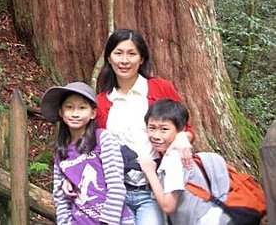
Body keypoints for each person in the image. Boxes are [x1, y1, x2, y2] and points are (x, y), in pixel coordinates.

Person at [95, 28, 195, 225]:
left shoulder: (160, 88)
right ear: (109, 58)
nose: (124, 60)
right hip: (116, 192)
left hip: (153, 190)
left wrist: (183, 138)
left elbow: (185, 128)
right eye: (118, 53)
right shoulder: (101, 101)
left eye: (132, 54)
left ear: (141, 59)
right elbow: (95, 148)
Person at [40, 81, 134, 224]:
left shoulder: (103, 139)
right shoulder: (61, 152)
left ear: (93, 113)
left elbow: (116, 186)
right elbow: (60, 197)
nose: (75, 113)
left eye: (82, 108)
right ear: (61, 111)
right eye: (69, 107)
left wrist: (108, 222)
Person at [139, 98, 232, 224]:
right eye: (152, 128)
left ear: (181, 130)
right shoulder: (180, 154)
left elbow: (168, 206)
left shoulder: (174, 159)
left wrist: (150, 172)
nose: (156, 135)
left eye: (164, 129)